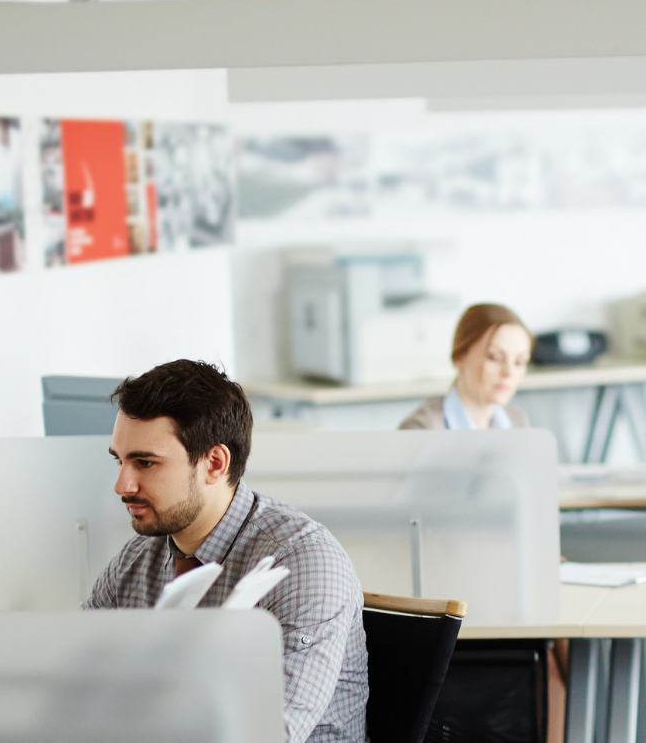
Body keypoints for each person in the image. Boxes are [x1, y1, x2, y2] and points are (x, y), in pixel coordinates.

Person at [88, 359, 368, 743]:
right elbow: (74, 692)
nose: (122, 484)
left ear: (215, 463)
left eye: (145, 463)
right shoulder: (135, 563)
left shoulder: (303, 563)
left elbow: (270, 735)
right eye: (120, 461)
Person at [400, 303, 534, 430]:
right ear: (460, 356)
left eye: (519, 362)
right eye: (495, 357)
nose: (508, 372)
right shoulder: (421, 428)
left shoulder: (518, 421)